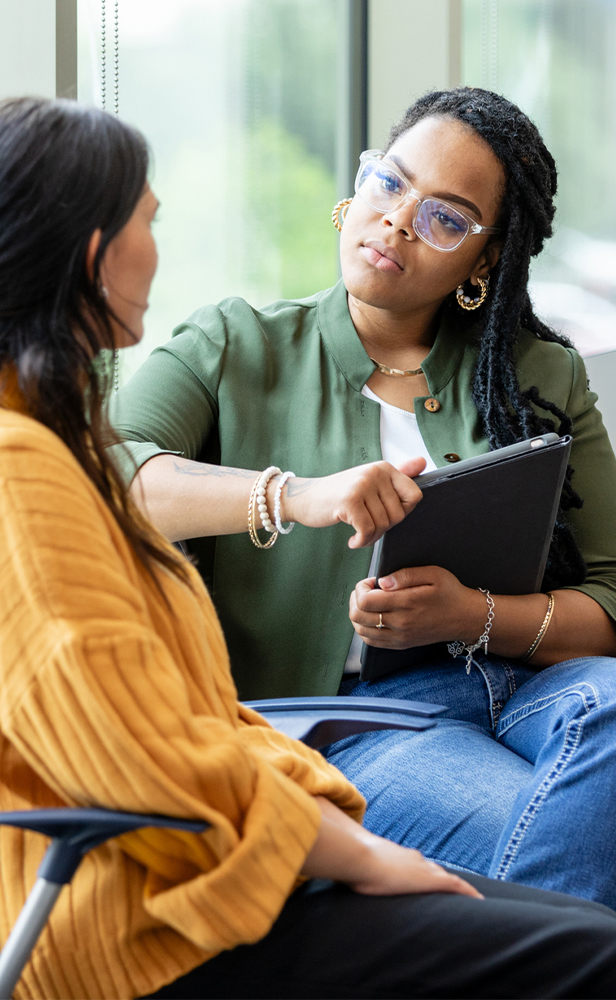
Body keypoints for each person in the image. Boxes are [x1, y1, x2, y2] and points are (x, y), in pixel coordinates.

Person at [6, 94, 616, 1000]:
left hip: (524, 684)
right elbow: (115, 475)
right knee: (569, 867)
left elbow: (609, 601)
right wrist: (292, 495)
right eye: (389, 182)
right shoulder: (234, 344)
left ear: (484, 258)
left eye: (445, 218)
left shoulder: (540, 371)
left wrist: (470, 614)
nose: (398, 221)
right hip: (356, 719)